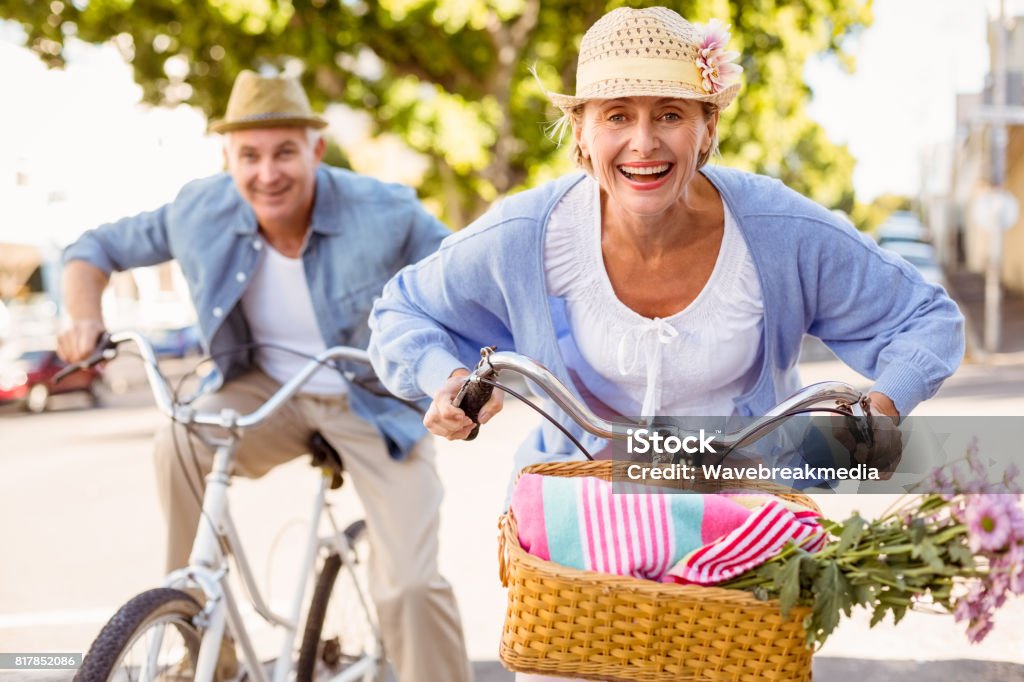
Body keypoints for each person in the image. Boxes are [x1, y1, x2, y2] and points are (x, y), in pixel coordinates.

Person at [368, 7, 964, 509]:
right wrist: (443, 379)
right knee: (558, 651)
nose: (644, 142)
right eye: (617, 115)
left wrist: (880, 410)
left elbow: (926, 319)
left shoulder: (780, 229)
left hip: (747, 509)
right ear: (580, 131)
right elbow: (402, 312)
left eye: (671, 114)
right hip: (582, 510)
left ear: (707, 128)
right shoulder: (527, 234)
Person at [58, 70, 472, 682]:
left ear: (316, 150)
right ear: (228, 157)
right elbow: (94, 248)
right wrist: (83, 315)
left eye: (285, 152)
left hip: (373, 397)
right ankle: (200, 638)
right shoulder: (199, 207)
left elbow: (466, 282)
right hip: (264, 388)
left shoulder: (385, 211)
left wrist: (453, 371)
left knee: (408, 587)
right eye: (249, 156)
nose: (267, 173)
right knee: (177, 440)